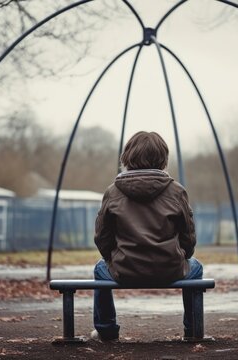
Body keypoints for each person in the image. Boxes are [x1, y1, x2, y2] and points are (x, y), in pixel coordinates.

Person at [92, 131, 203, 342]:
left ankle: (106, 329)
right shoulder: (176, 191)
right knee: (196, 267)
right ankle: (193, 330)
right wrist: (183, 255)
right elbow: (188, 236)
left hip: (124, 268)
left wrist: (112, 257)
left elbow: (102, 237)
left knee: (99, 268)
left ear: (127, 157)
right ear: (163, 159)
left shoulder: (113, 192)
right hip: (170, 268)